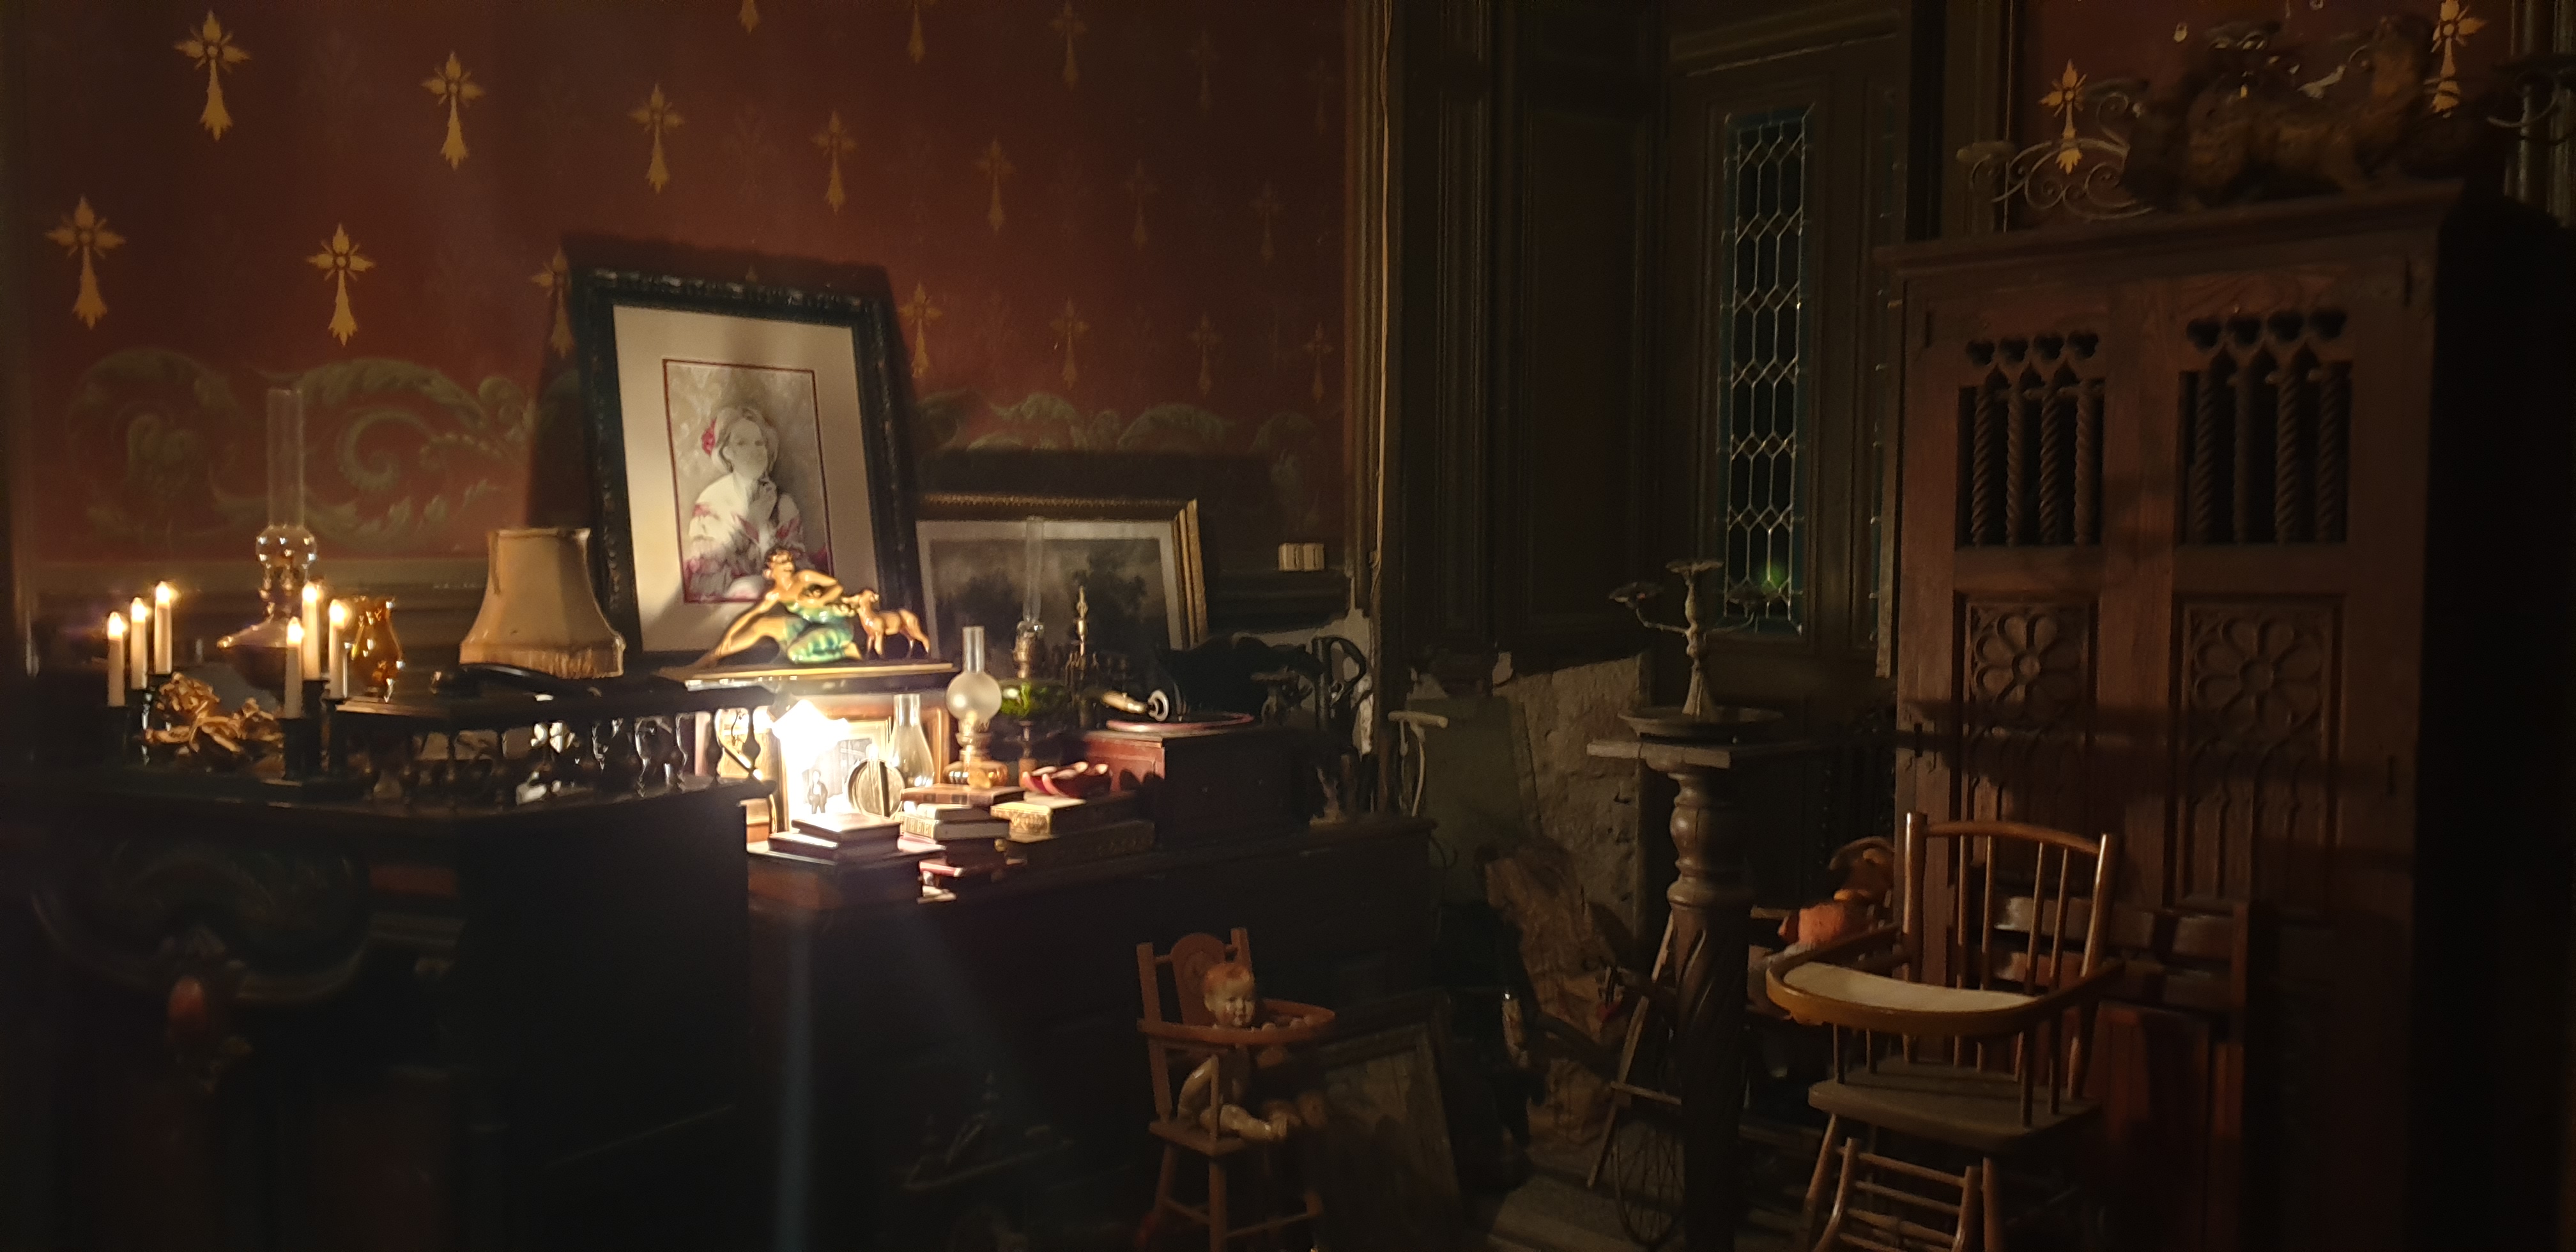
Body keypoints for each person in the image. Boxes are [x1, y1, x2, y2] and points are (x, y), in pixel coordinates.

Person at [684, 405, 811, 601]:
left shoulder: (783, 504)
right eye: (742, 443)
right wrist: (751, 522)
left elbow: (799, 571)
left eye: (759, 443)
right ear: (727, 452)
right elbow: (704, 580)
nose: (755, 452)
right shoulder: (712, 502)